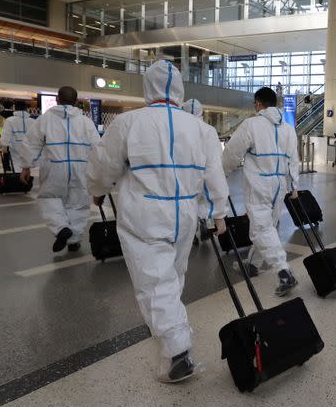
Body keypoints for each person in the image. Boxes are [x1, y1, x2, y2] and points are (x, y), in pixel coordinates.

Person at [87, 61, 228, 383]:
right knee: (172, 276)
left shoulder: (127, 123)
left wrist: (96, 192)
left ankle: (178, 351)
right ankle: (174, 329)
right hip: (185, 215)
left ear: (147, 87)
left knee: (155, 283)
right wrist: (218, 212)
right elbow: (213, 175)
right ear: (179, 89)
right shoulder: (200, 128)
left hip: (144, 215)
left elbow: (103, 166)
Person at [222, 86, 300, 297]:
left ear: (258, 103)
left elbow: (231, 153)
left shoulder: (251, 125)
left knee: (261, 229)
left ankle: (284, 271)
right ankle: (253, 265)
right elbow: (294, 159)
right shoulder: (288, 128)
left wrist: (221, 173)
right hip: (279, 185)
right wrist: (294, 186)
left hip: (259, 185)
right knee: (268, 225)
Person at [19, 87, 100, 253]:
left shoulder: (45, 119)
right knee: (78, 203)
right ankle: (73, 240)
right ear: (76, 102)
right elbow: (98, 147)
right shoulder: (86, 121)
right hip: (80, 167)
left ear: (57, 99)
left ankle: (61, 228)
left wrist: (26, 165)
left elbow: (31, 143)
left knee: (49, 198)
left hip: (54, 166)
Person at [181, 99, 228, 246]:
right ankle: (200, 223)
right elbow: (213, 170)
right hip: (198, 183)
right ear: (201, 113)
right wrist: (218, 213)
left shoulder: (172, 128)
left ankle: (194, 229)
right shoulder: (208, 131)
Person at [0, 100, 34, 172]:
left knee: (16, 166)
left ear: (14, 108)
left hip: (15, 149)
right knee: (27, 167)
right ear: (26, 109)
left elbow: (5, 136)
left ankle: (18, 180)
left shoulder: (10, 120)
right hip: (29, 148)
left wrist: (4, 148)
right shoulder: (32, 121)